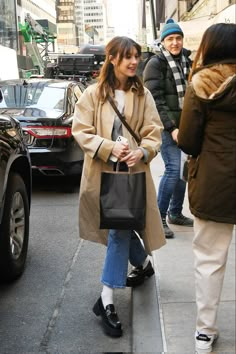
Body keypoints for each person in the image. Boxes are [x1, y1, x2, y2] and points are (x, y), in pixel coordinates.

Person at [72, 36, 166, 337]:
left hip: (132, 174)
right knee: (120, 227)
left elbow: (154, 132)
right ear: (112, 58)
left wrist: (142, 151)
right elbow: (81, 131)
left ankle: (107, 299)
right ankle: (141, 264)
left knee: (119, 230)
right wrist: (110, 148)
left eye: (136, 56)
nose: (134, 61)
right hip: (102, 174)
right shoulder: (92, 94)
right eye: (127, 57)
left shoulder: (143, 94)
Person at [178, 23, 236, 353]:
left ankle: (205, 332)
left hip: (215, 180)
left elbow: (188, 141)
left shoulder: (201, 83)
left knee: (210, 260)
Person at [143, 19, 193, 239]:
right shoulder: (157, 63)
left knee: (183, 172)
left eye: (178, 38)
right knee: (173, 169)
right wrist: (172, 127)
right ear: (163, 41)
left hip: (186, 126)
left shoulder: (188, 62)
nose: (175, 42)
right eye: (170, 39)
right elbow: (155, 99)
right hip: (165, 126)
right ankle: (158, 218)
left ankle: (175, 212)